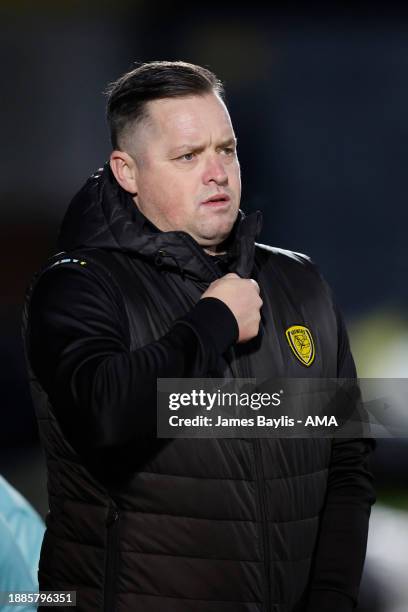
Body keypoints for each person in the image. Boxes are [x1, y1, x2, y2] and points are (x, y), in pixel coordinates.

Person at [22, 61, 375, 612]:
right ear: (127, 171)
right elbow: (107, 414)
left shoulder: (299, 283)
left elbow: (346, 459)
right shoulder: (80, 286)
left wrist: (331, 598)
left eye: (226, 149)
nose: (217, 172)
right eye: (188, 156)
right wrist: (211, 324)